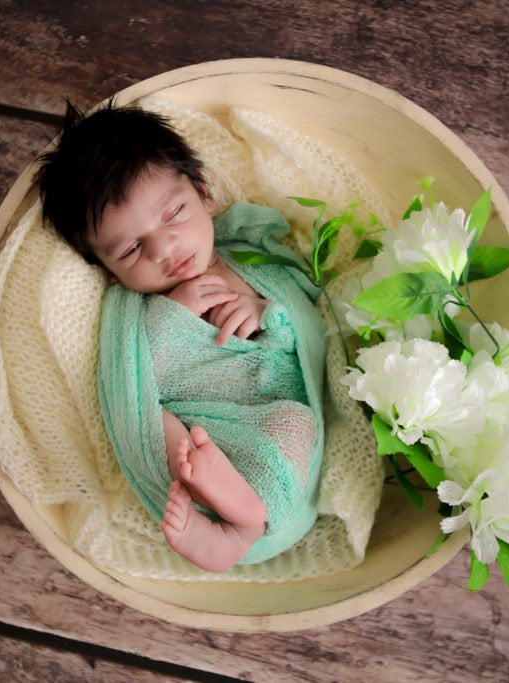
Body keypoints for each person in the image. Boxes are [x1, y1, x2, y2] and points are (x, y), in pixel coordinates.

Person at [35, 100, 326, 572]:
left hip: (266, 417)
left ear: (204, 193)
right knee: (164, 432)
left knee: (296, 424)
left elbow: (305, 324)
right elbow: (140, 384)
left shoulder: (251, 262)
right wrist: (173, 316)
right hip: (198, 427)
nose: (164, 249)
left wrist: (265, 313)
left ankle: (243, 523)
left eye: (172, 214)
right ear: (108, 272)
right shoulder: (137, 312)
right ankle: (234, 521)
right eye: (131, 249)